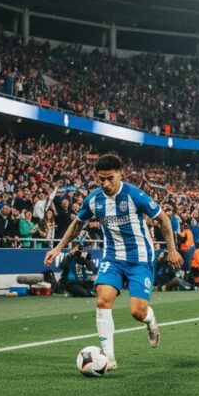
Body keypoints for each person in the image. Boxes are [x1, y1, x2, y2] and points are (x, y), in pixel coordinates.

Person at [44, 153, 183, 371]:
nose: (106, 183)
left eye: (110, 178)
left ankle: (150, 320)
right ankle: (109, 357)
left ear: (120, 174)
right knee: (102, 299)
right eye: (101, 179)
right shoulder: (94, 200)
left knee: (137, 312)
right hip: (113, 258)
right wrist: (58, 248)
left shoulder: (135, 196)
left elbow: (163, 219)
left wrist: (172, 250)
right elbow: (77, 224)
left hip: (140, 259)